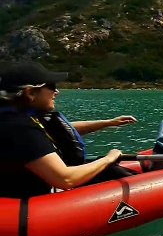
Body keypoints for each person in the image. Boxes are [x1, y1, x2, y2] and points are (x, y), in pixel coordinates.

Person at [0, 60, 137, 199]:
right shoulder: (19, 128)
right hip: (30, 205)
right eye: (51, 86)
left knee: (110, 170)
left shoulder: (12, 119)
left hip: (27, 194)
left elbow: (56, 132)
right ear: (30, 93)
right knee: (111, 170)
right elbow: (65, 179)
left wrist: (108, 123)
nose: (57, 92)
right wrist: (109, 158)